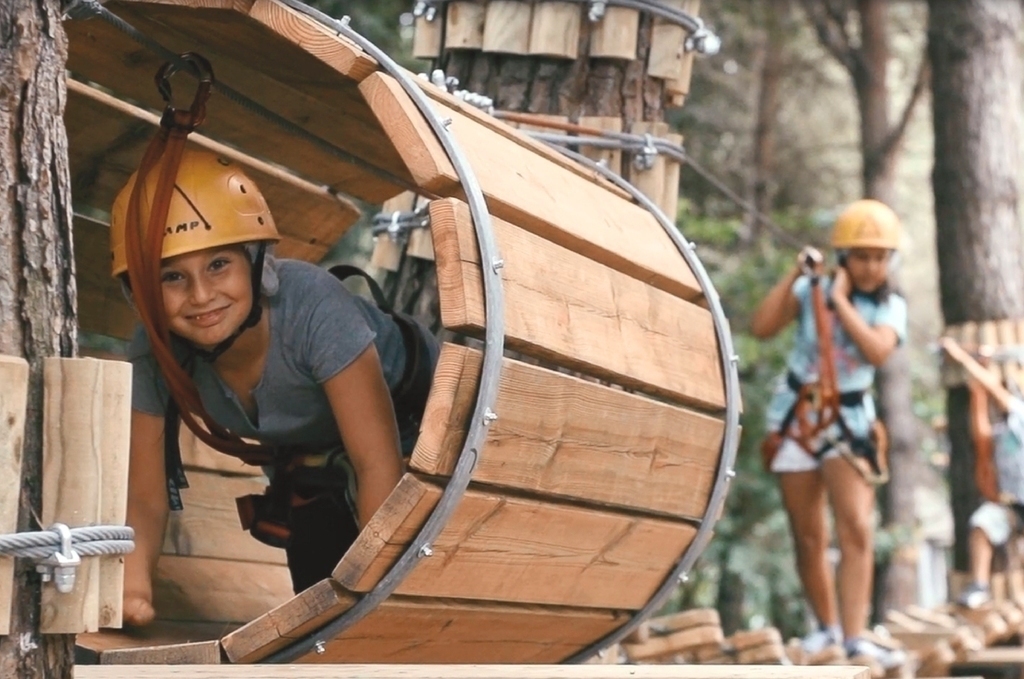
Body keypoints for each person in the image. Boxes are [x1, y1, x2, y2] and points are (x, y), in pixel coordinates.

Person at [112, 148, 439, 627]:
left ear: (258, 263)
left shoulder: (313, 308)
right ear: (140, 292)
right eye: (172, 277)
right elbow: (144, 495)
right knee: (314, 587)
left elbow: (376, 465)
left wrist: (373, 597)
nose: (201, 295)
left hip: (419, 417)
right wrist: (132, 589)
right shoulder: (155, 354)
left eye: (219, 265)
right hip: (313, 456)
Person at [750, 199, 908, 668]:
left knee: (856, 528)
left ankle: (856, 634)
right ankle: (826, 629)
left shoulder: (889, 306)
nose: (871, 266)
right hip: (797, 417)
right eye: (862, 256)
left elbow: (878, 351)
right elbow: (761, 327)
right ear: (844, 256)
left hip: (849, 421)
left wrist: (839, 301)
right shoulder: (810, 291)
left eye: (880, 257)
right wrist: (798, 277)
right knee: (808, 533)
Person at [941, 338, 1024, 610]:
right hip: (1014, 504)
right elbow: (982, 437)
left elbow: (994, 389)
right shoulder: (1006, 428)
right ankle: (979, 585)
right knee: (982, 524)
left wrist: (964, 360)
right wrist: (977, 391)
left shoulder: (1020, 412)